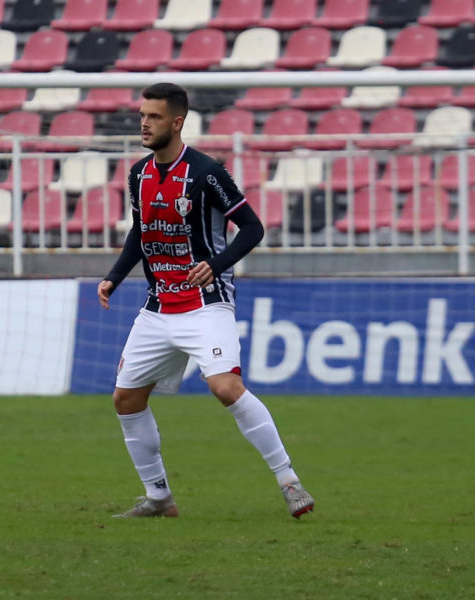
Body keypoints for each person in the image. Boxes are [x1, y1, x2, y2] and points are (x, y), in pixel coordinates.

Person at [97, 82, 314, 519]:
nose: (144, 122)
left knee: (225, 387)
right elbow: (142, 233)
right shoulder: (138, 173)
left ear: (177, 122)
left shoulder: (206, 172)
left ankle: (289, 481)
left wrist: (216, 264)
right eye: (142, 114)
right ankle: (159, 498)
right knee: (125, 400)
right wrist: (114, 276)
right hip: (157, 306)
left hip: (205, 302)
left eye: (154, 116)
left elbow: (252, 228)